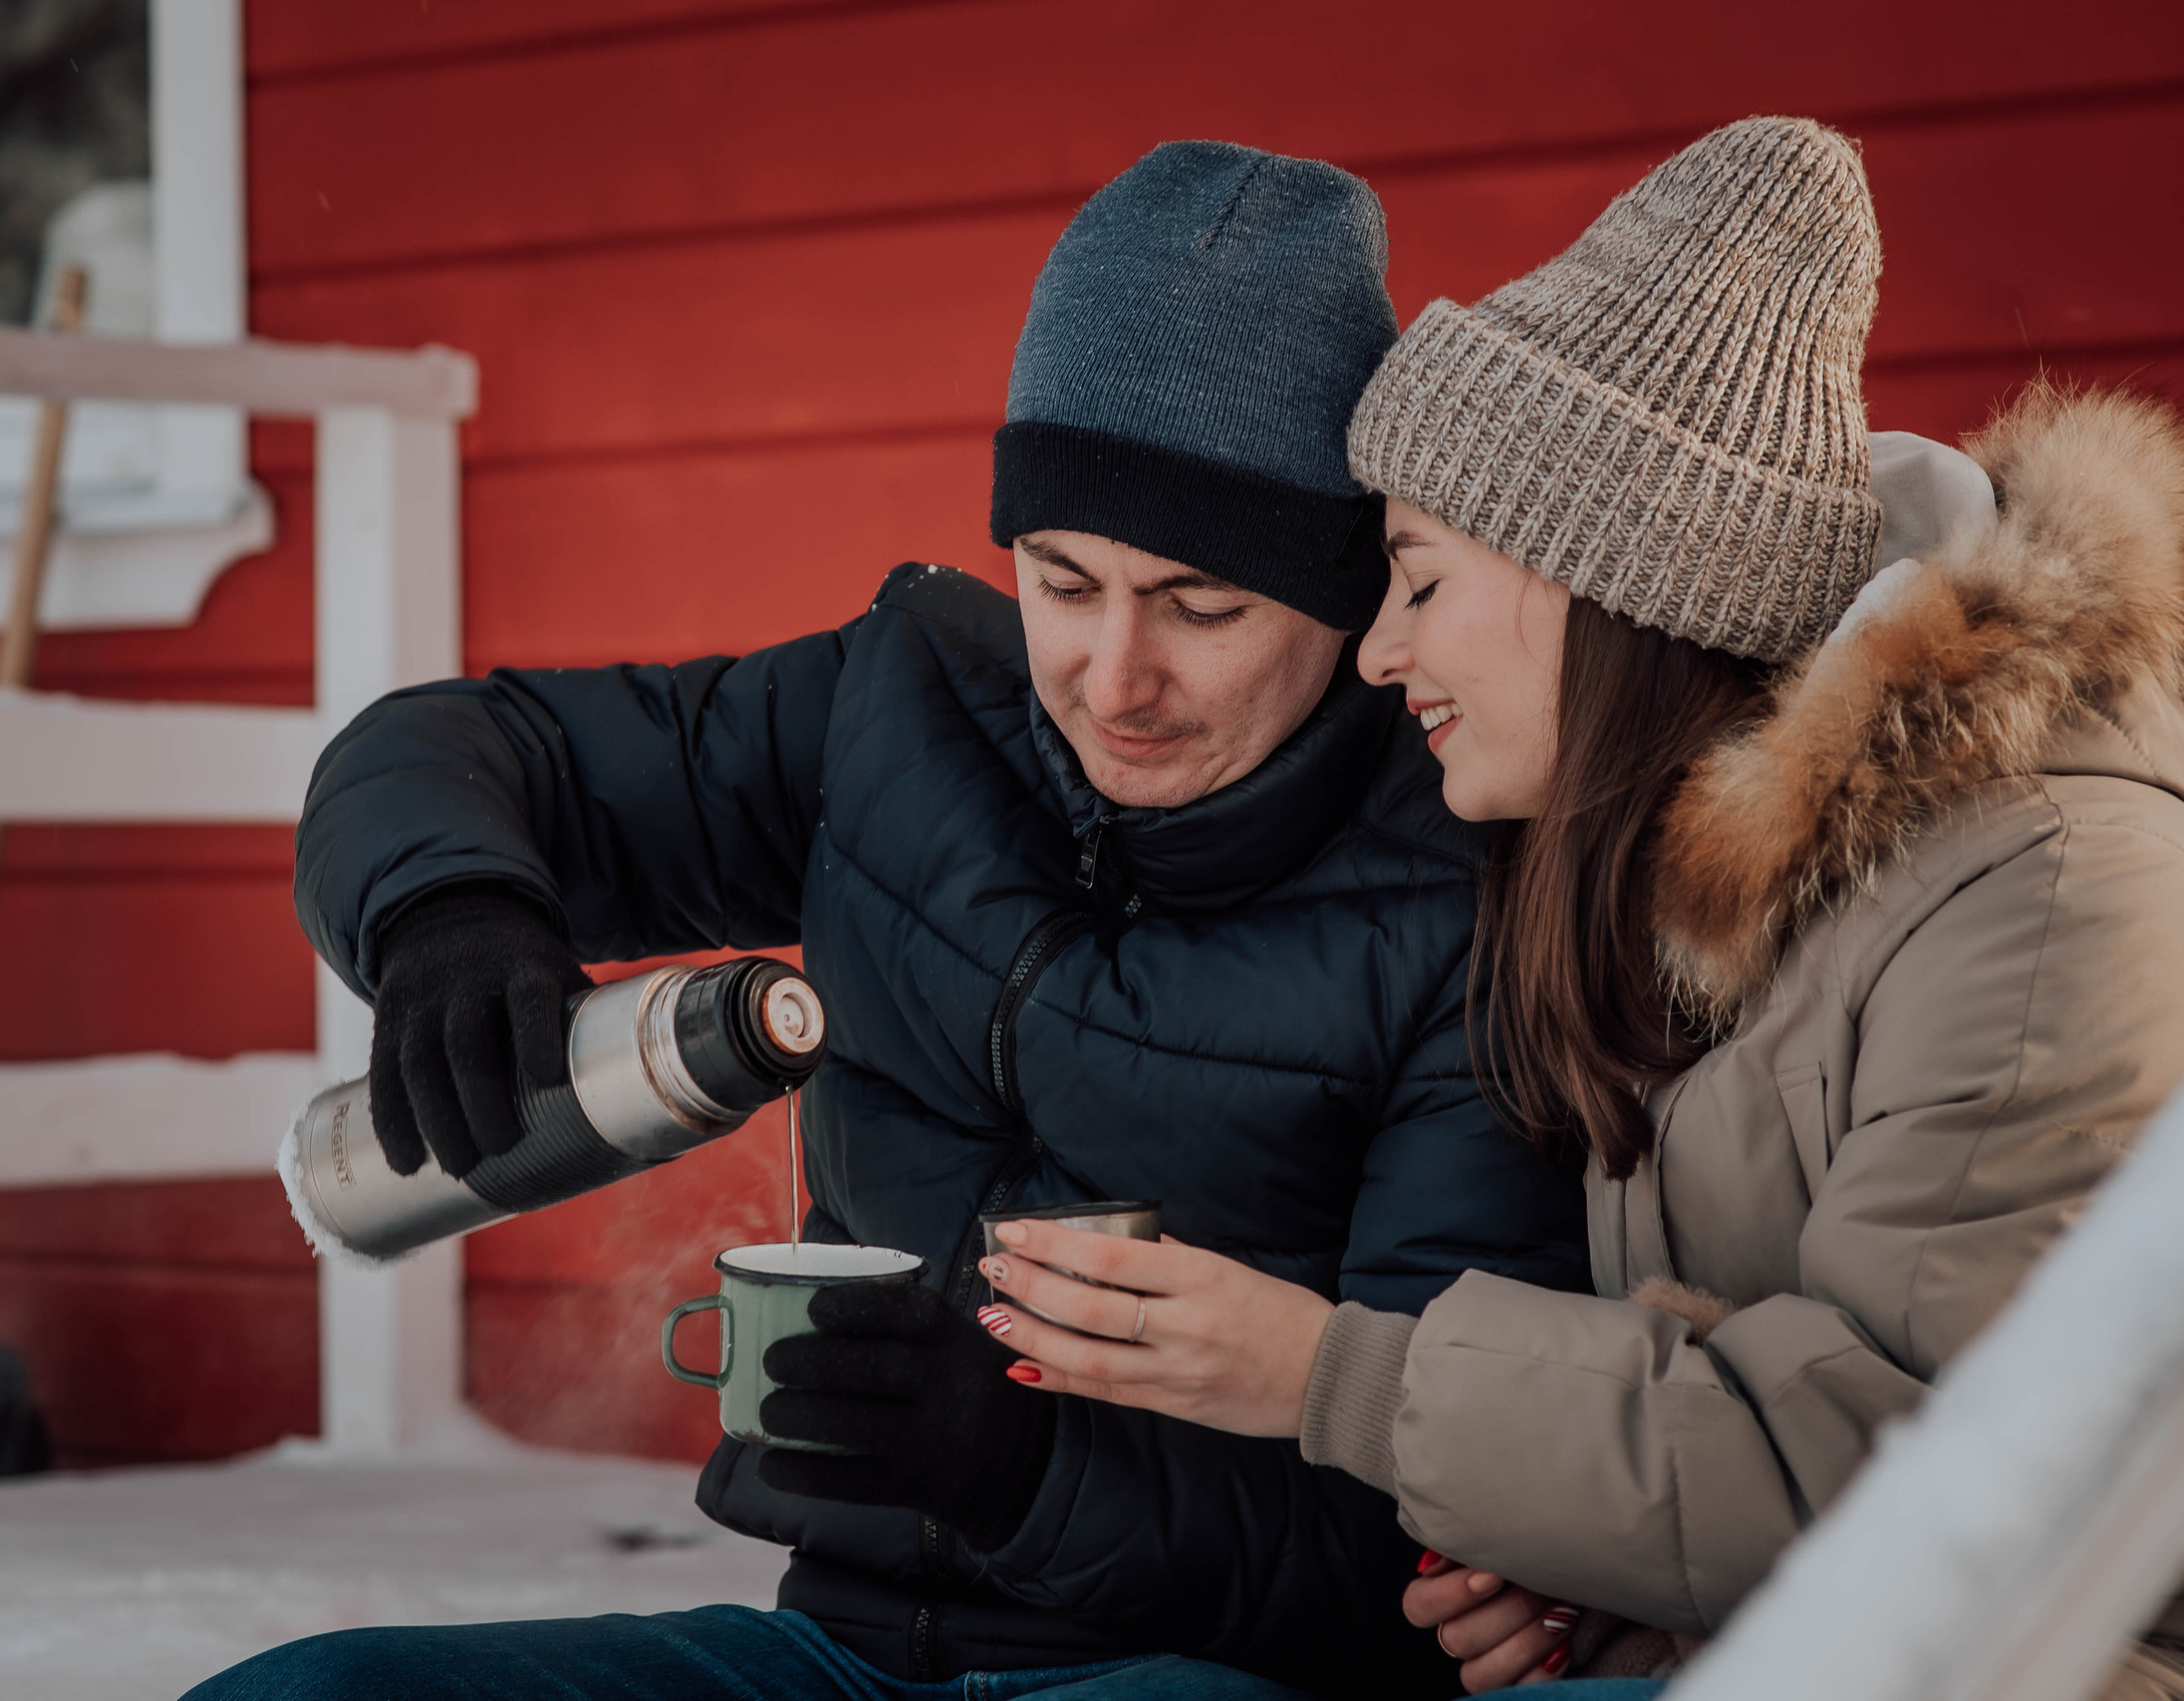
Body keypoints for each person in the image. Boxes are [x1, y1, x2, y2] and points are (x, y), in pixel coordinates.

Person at [191, 143, 1587, 1701]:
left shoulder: (1468, 918)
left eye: (1202, 608)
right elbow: (457, 749)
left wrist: (1016, 1469)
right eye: (1063, 582)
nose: (1113, 680)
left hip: (1201, 1678)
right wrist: (448, 907)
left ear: (1348, 597)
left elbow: (1414, 1552)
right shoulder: (898, 712)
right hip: (828, 1658)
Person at [978, 117, 2184, 1698]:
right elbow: (1788, 1455)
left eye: (1420, 579)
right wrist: (1605, 1603)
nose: (1380, 653)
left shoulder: (2048, 900)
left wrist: (1335, 1377)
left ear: (1601, 578)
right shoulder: (1696, 893)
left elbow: (1949, 1478)